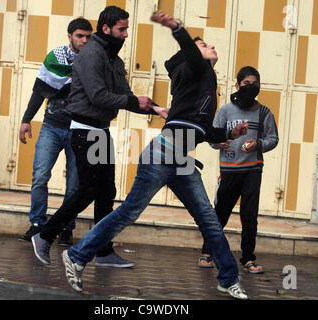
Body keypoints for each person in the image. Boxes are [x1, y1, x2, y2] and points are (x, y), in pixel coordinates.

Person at [56, 11, 251, 300]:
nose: (211, 46)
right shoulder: (196, 69)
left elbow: (203, 129)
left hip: (182, 157)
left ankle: (228, 278)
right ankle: (76, 255)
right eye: (203, 44)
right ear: (193, 55)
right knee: (129, 211)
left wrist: (229, 135)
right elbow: (190, 54)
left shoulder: (205, 82)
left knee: (208, 220)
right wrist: (177, 28)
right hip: (163, 153)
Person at [31, 6, 168, 268]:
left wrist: (154, 107)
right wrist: (132, 100)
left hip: (101, 131)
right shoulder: (92, 54)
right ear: (106, 29)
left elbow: (126, 93)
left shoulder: (113, 58)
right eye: (122, 29)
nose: (126, 34)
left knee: (107, 192)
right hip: (84, 131)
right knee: (88, 190)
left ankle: (103, 252)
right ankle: (45, 234)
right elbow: (98, 96)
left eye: (126, 28)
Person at [18, 18, 93, 246]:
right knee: (40, 176)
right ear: (70, 36)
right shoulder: (55, 58)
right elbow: (40, 90)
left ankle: (65, 227)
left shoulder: (93, 60)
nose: (84, 40)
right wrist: (26, 120)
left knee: (74, 184)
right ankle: (38, 224)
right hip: (52, 126)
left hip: (80, 130)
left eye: (88, 36)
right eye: (80, 36)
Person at [198, 66, 279, 273]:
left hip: (253, 170)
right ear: (237, 85)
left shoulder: (264, 112)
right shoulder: (225, 110)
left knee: (249, 216)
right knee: (220, 214)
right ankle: (207, 253)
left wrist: (259, 144)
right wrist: (219, 143)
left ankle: (248, 259)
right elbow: (212, 136)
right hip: (229, 170)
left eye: (255, 84)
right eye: (246, 84)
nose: (251, 87)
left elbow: (273, 138)